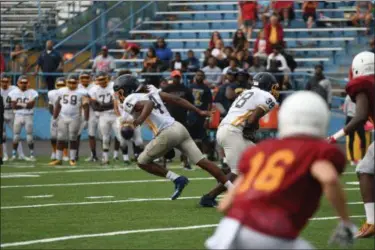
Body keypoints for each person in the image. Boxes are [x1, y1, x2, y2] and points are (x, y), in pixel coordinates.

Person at [206, 91, 357, 249]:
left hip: (227, 231)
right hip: (271, 230)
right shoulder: (316, 150)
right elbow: (329, 179)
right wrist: (345, 221)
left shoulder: (262, 150)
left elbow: (225, 205)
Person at [114, 75, 234, 200]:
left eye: (119, 92)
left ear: (125, 89)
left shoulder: (130, 99)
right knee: (203, 162)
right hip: (179, 127)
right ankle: (233, 189)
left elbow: (148, 104)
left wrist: (139, 120)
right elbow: (176, 99)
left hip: (167, 132)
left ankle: (177, 179)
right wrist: (198, 111)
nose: (119, 95)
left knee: (142, 162)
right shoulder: (153, 93)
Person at [200, 72, 278, 207]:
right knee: (238, 171)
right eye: (273, 86)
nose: (274, 90)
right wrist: (250, 130)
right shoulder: (267, 96)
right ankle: (209, 197)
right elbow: (252, 119)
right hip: (233, 131)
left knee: (261, 161)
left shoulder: (248, 92)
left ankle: (261, 195)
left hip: (228, 128)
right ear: (268, 85)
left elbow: (251, 117)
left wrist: (251, 128)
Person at [328, 51, 374, 238]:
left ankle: (372, 221)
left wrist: (334, 137)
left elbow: (360, 116)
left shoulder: (363, 84)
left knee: (364, 169)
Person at [49, 75, 89, 166]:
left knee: (73, 138)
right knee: (60, 138)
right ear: (67, 82)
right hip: (62, 117)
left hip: (74, 117)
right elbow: (58, 105)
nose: (71, 85)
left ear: (77, 83)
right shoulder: (61, 91)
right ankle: (58, 159)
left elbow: (86, 107)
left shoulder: (82, 92)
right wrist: (55, 117)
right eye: (69, 83)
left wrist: (86, 119)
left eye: (73, 83)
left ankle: (72, 159)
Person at [162, 70, 194, 170]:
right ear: (172, 78)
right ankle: (164, 164)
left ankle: (186, 162)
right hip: (169, 119)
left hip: (182, 117)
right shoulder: (167, 89)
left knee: (184, 141)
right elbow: (161, 103)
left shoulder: (185, 89)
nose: (176, 78)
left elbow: (191, 102)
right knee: (165, 141)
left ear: (180, 78)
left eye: (178, 77)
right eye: (174, 77)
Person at [113, 70, 144, 164]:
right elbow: (115, 106)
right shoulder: (116, 92)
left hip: (133, 117)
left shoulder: (135, 92)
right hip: (122, 118)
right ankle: (125, 158)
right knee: (122, 140)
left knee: (138, 141)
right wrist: (121, 118)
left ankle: (137, 156)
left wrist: (134, 118)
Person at [89, 72, 116, 165]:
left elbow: (114, 103)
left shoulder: (113, 86)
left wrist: (102, 106)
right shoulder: (93, 89)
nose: (101, 82)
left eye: (103, 79)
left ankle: (124, 157)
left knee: (121, 137)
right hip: (103, 116)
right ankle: (105, 158)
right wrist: (106, 106)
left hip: (115, 115)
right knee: (105, 137)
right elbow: (94, 106)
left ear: (107, 79)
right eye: (99, 80)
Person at [9, 76, 39, 161]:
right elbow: (14, 107)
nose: (23, 84)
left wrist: (20, 104)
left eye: (25, 83)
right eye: (21, 83)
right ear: (18, 83)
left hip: (28, 116)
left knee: (29, 136)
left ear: (28, 83)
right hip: (18, 116)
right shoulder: (13, 92)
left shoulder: (32, 92)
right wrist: (26, 105)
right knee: (15, 136)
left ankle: (32, 154)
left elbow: (31, 105)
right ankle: (14, 154)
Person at [1, 74, 26, 161]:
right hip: (1, 111)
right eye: (3, 81)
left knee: (16, 133)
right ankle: (5, 155)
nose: (4, 84)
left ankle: (21, 154)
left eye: (6, 82)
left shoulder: (14, 89)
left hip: (11, 112)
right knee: (2, 135)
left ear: (9, 82)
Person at [188, 70, 212, 157]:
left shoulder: (206, 88)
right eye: (198, 75)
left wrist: (207, 118)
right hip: (192, 114)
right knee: (192, 137)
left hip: (202, 115)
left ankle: (205, 155)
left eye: (201, 75)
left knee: (204, 136)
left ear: (203, 77)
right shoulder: (190, 87)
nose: (199, 77)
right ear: (195, 76)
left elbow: (209, 103)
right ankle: (195, 155)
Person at [77, 72, 99, 162]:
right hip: (79, 113)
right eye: (83, 77)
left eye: (87, 77)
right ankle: (75, 154)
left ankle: (93, 155)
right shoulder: (77, 87)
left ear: (90, 78)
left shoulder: (94, 87)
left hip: (93, 113)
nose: (85, 79)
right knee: (76, 135)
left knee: (92, 135)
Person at [48, 77, 68, 161]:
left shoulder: (68, 93)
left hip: (65, 116)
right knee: (53, 136)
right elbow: (50, 106)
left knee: (64, 136)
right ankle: (54, 152)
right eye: (59, 85)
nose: (61, 87)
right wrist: (54, 115)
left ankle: (65, 154)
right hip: (55, 116)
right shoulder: (51, 93)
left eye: (62, 85)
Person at [343, 94, 367, 166]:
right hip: (358, 118)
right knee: (362, 138)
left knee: (352, 138)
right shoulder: (360, 96)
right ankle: (361, 159)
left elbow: (345, 110)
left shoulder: (348, 97)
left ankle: (353, 160)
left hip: (351, 117)